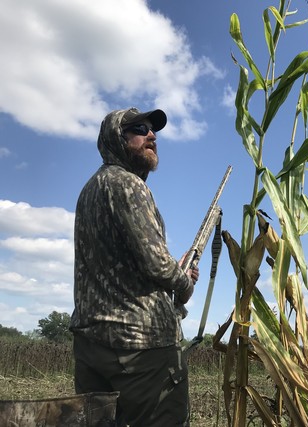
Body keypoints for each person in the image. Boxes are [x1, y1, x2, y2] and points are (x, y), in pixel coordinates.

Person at [70, 107, 198, 427]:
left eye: (153, 131)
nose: (152, 135)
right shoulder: (128, 184)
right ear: (117, 137)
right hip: (140, 349)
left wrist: (177, 269)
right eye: (139, 128)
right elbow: (157, 265)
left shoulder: (90, 189)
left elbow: (123, 264)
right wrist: (184, 283)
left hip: (90, 346)